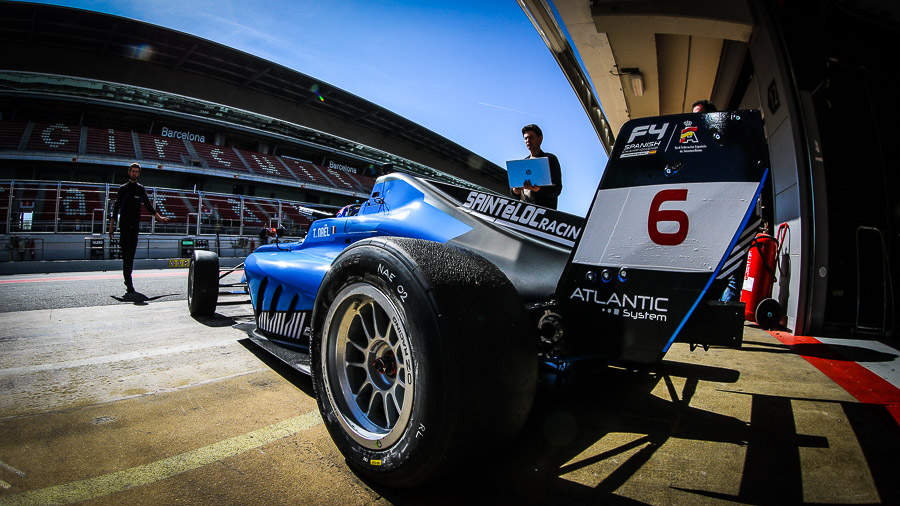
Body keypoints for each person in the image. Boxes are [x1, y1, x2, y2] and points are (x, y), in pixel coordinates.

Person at [109, 163, 171, 293]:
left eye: (137, 171)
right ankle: (129, 281)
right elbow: (116, 209)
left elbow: (148, 206)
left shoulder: (141, 189)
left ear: (139, 174)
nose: (134, 173)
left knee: (131, 255)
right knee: (126, 255)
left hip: (135, 227)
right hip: (124, 227)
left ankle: (127, 278)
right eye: (133, 171)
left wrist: (160, 218)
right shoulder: (123, 189)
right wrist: (111, 226)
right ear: (129, 172)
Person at [511, 124, 562, 210]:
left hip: (542, 213)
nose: (528, 140)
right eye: (526, 138)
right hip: (522, 210)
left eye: (531, 137)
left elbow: (556, 190)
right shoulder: (522, 163)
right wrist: (515, 191)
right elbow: (514, 189)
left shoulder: (550, 159)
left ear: (540, 139)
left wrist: (539, 189)